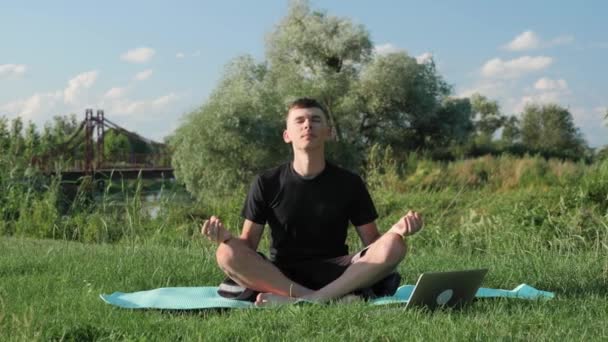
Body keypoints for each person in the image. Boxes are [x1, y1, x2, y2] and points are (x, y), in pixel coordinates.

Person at [201, 98, 423, 306]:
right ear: (287, 135)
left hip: (339, 272)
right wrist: (226, 238)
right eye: (300, 120)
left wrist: (397, 230)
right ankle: (323, 298)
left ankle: (308, 300)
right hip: (281, 274)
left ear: (328, 132)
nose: (308, 125)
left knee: (395, 244)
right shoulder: (266, 182)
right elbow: (248, 246)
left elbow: (373, 243)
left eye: (316, 120)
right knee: (226, 252)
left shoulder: (349, 182)